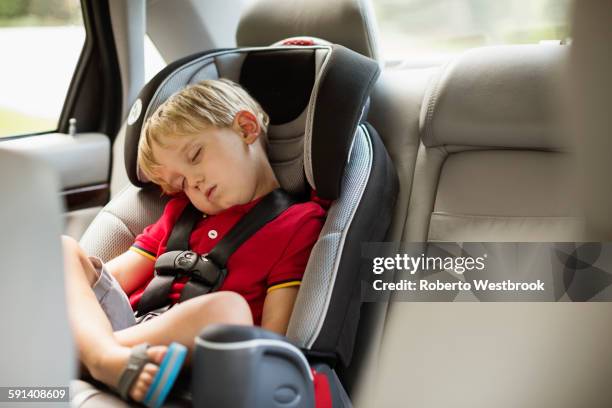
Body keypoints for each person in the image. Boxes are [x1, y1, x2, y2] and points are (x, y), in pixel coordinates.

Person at [62, 78, 326, 404]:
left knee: (227, 310)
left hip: (197, 355)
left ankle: (88, 354)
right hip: (127, 330)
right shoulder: (179, 215)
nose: (194, 184)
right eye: (181, 182)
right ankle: (103, 357)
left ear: (246, 128)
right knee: (63, 249)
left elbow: (272, 340)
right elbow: (110, 277)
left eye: (196, 155)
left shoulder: (298, 222)